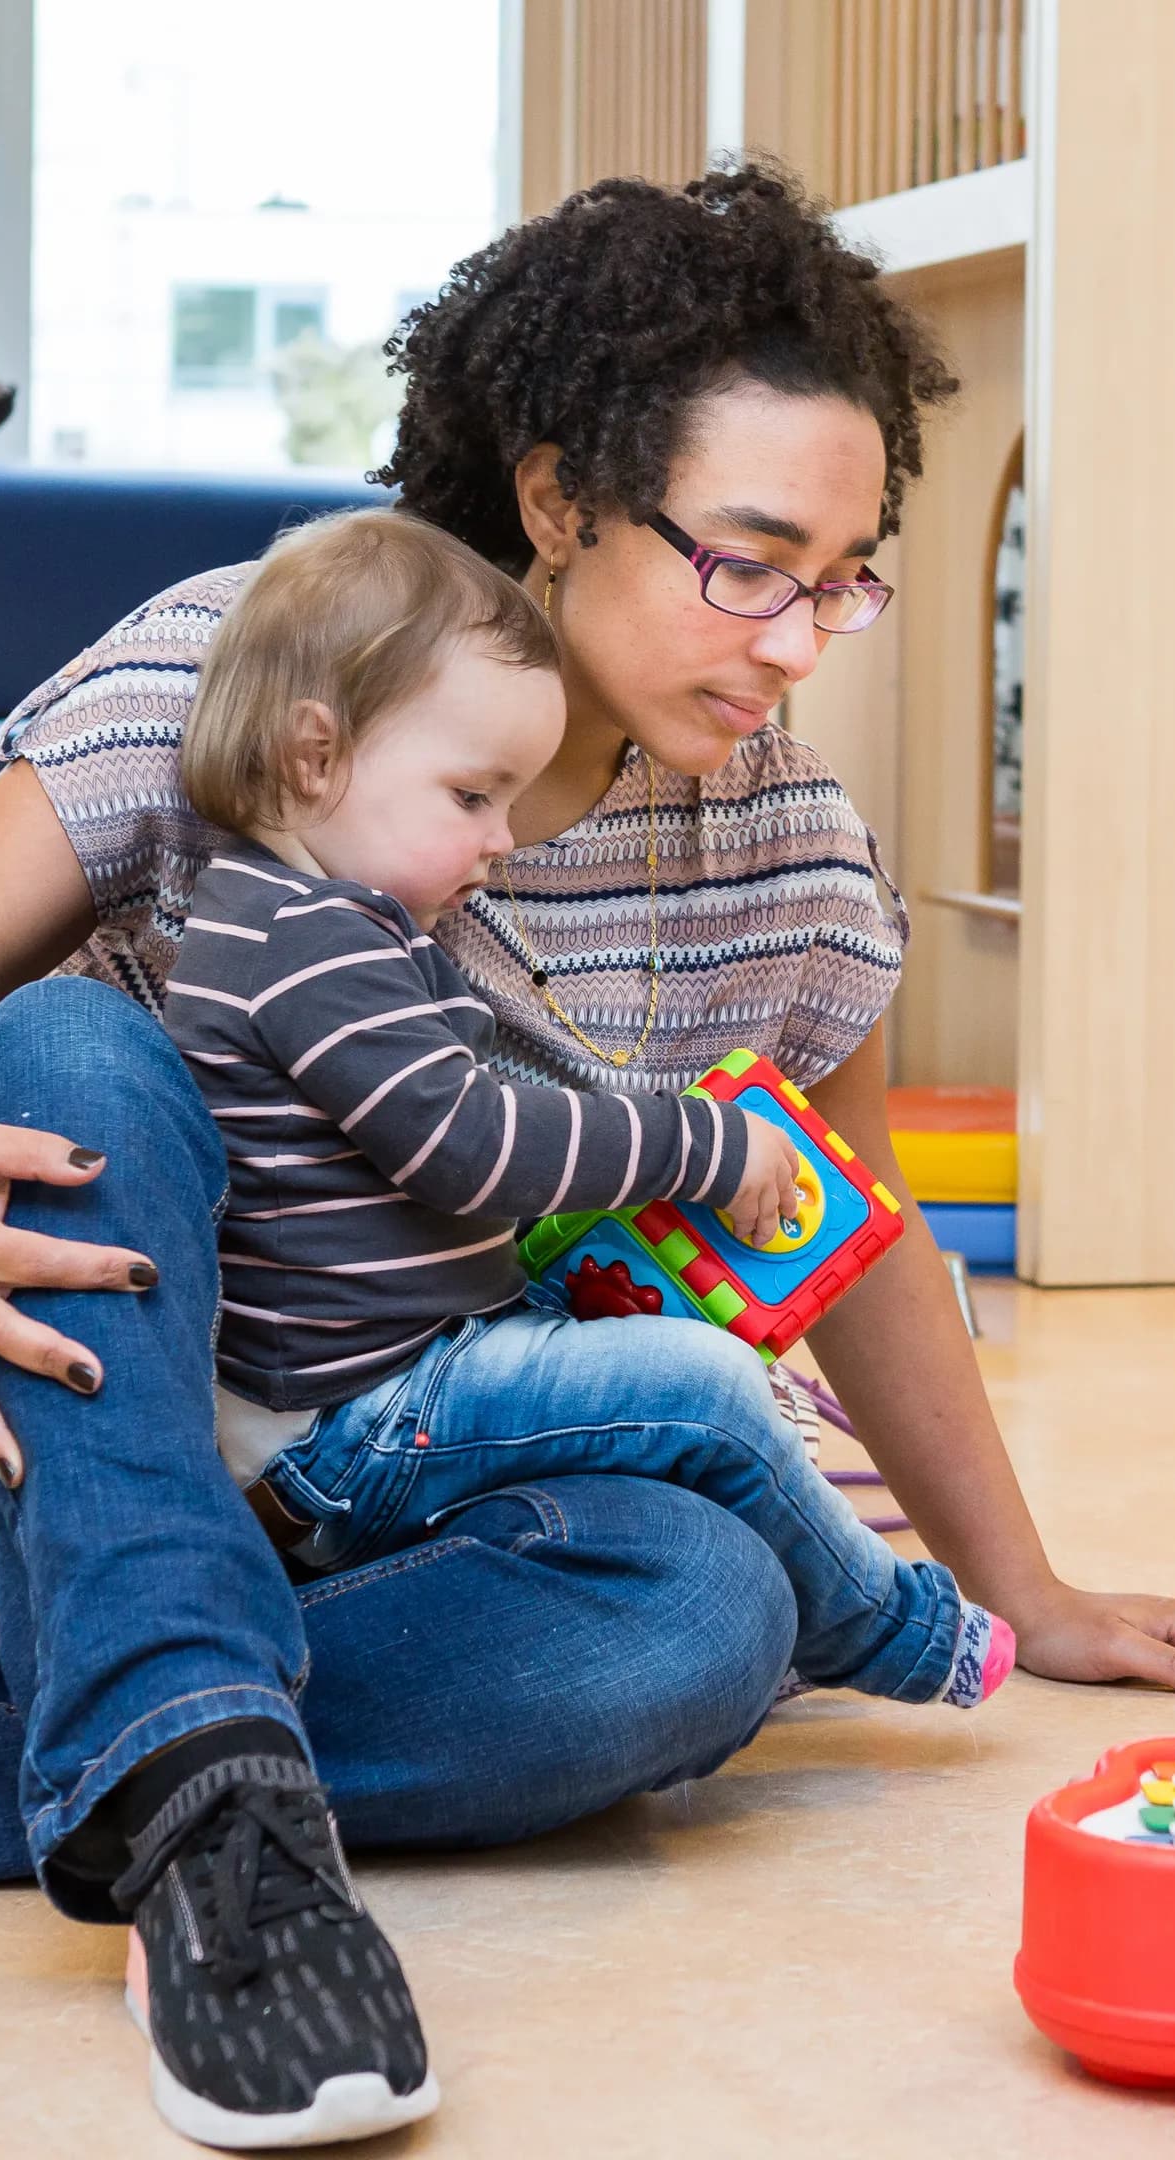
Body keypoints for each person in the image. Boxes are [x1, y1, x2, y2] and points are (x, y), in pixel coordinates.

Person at [0, 161, 1175, 2149]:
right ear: (553, 497)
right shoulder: (250, 666)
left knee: (712, 1612)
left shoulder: (786, 850)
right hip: (2, 1450)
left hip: (381, 1511)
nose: (802, 636)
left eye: (845, 574)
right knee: (78, 1041)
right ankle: (212, 1819)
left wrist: (1018, 1587)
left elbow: (846, 1238)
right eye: (747, 560)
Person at [168, 505, 1015, 1710]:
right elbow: (470, 1144)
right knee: (701, 1388)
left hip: (392, 1394)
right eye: (470, 796)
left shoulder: (307, 922)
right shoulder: (305, 943)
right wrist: (701, 1145)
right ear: (313, 756)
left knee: (671, 1420)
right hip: (357, 1423)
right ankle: (886, 1628)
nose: (501, 839)